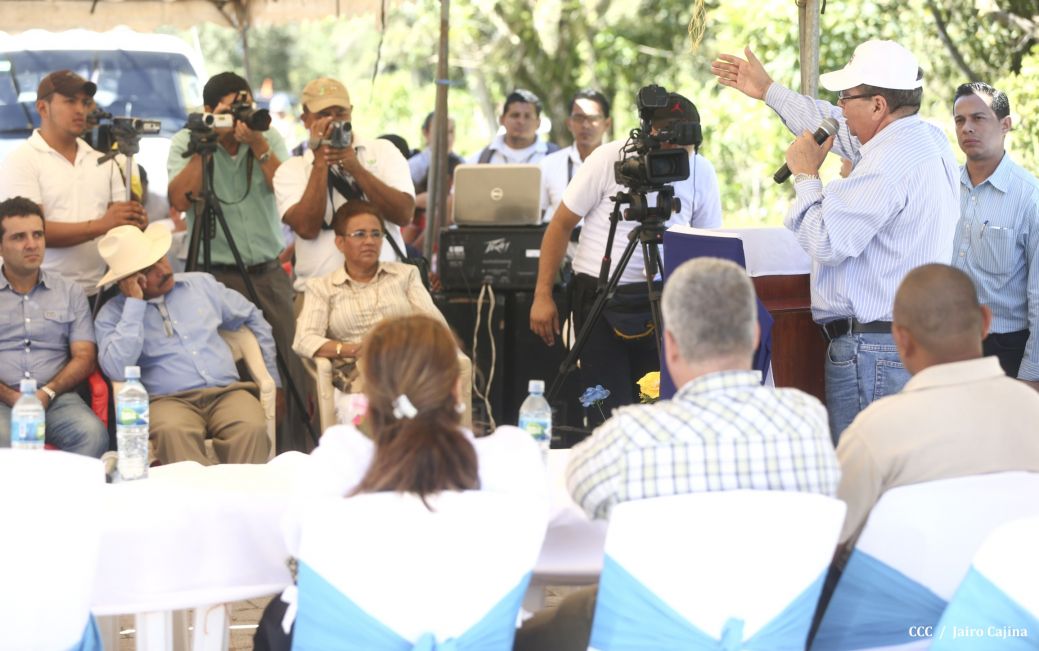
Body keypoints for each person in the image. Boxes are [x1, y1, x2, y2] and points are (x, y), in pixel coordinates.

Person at [514, 257, 839, 651]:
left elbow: (580, 496)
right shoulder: (808, 422)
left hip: (651, 637)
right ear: (756, 335)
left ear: (668, 345)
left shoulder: (629, 437)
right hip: (773, 635)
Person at [711, 40, 959, 441]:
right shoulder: (924, 139)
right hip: (904, 344)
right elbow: (831, 123)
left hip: (874, 352)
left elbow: (827, 241)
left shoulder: (887, 164)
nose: (839, 107)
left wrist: (806, 177)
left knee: (868, 478)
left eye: (846, 97)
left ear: (878, 106)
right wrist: (770, 91)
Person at [255, 313, 544, 650]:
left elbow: (299, 543)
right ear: (455, 387)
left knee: (281, 614)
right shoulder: (511, 461)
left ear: (370, 391)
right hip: (470, 638)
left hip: (351, 638)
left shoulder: (340, 459)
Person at [529, 91, 722, 421]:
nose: (678, 161)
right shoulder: (609, 159)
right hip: (599, 300)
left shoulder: (701, 170)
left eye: (686, 153)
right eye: (670, 150)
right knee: (607, 412)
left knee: (659, 408)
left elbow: (708, 243)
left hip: (666, 303)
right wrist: (542, 295)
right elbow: (560, 225)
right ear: (651, 135)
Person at [836, 263, 1039, 550]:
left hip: (907, 592)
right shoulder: (1033, 409)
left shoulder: (875, 431)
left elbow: (833, 535)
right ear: (985, 321)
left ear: (901, 339)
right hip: (1016, 589)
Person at [167, 71, 309, 451]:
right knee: (226, 368)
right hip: (212, 274)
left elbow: (287, 190)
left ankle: (294, 452)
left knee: (291, 362)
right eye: (232, 108)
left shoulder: (264, 135)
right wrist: (206, 146)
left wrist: (258, 143)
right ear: (210, 110)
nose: (242, 115)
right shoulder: (187, 139)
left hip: (266, 270)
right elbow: (179, 201)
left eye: (245, 104)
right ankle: (240, 451)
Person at [94, 222, 278, 465]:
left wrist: (272, 378)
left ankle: (243, 501)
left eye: (161, 258)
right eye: (149, 268)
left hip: (227, 392)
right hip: (167, 401)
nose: (163, 270)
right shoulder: (113, 315)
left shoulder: (201, 285)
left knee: (251, 426)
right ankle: (196, 503)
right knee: (174, 432)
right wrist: (135, 304)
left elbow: (253, 316)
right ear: (127, 281)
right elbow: (116, 368)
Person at [0, 70, 147, 301]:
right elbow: (29, 233)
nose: (81, 110)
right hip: (39, 294)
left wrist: (134, 221)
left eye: (85, 102)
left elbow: (120, 227)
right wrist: (100, 225)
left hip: (100, 294)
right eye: (70, 101)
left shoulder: (105, 162)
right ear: (42, 108)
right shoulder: (21, 160)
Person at [273, 77, 415, 305]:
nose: (332, 122)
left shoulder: (383, 152)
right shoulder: (292, 170)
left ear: (351, 112)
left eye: (339, 113)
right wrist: (321, 162)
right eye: (323, 115)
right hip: (317, 298)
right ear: (305, 119)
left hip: (386, 293)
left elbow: (404, 214)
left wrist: (356, 168)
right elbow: (307, 228)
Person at [293, 201, 448, 389]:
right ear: (340, 242)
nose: (369, 241)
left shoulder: (405, 275)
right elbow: (304, 339)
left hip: (406, 365)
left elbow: (436, 326)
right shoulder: (322, 287)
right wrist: (352, 350)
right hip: (357, 374)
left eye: (376, 234)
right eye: (359, 234)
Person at [0, 196, 107, 456]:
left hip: (56, 398)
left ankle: (61, 498)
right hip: (2, 401)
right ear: (0, 246)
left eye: (38, 235)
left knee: (93, 436)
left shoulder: (70, 292)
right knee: (5, 445)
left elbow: (85, 357)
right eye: (19, 237)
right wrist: (11, 397)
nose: (31, 244)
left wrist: (47, 392)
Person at [949, 82, 1039, 387]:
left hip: (1005, 351)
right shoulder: (943, 188)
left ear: (1005, 125)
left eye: (979, 118)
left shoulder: (1030, 198)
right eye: (960, 120)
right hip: (946, 346)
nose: (967, 128)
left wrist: (1032, 373)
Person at [539, 89, 612, 222]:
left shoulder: (619, 164)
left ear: (607, 123)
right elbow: (536, 218)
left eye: (593, 118)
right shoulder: (549, 164)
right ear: (569, 123)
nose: (585, 125)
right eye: (579, 118)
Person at [406, 111, 463, 248]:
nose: (447, 137)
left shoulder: (462, 165)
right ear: (426, 133)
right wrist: (417, 201)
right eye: (441, 131)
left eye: (451, 132)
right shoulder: (413, 166)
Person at [470, 89, 557, 164]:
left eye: (527, 116)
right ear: (502, 119)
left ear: (538, 123)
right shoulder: (479, 161)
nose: (521, 121)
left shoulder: (556, 158)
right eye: (515, 115)